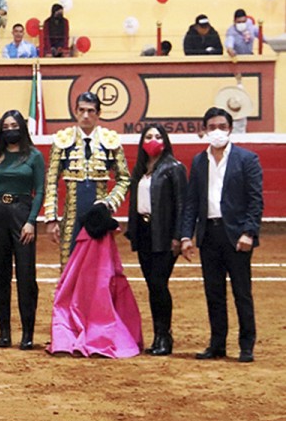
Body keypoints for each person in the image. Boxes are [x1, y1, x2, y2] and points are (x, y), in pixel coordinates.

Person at [181, 107, 263, 363]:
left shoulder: (247, 159)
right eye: (212, 126)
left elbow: (255, 201)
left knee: (242, 292)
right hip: (209, 235)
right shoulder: (198, 161)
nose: (217, 131)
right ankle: (217, 345)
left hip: (237, 236)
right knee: (213, 292)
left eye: (222, 126)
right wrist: (186, 235)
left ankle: (246, 345)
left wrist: (249, 232)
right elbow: (192, 202)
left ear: (230, 129)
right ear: (204, 130)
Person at [47, 198, 144, 358]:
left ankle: (68, 336)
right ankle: (98, 337)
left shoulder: (81, 248)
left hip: (74, 223)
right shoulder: (106, 251)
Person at [45, 92, 130, 268]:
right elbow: (51, 180)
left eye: (91, 111)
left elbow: (124, 179)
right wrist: (51, 218)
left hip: (100, 216)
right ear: (75, 112)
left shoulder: (110, 141)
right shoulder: (62, 140)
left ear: (98, 114)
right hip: (71, 218)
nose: (85, 115)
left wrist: (109, 203)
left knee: (100, 268)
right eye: (81, 110)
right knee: (70, 266)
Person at [0, 110, 43, 350]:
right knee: (0, 274)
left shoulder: (34, 156)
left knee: (26, 275)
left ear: (22, 127)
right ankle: (4, 331)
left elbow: (39, 190)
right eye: (5, 127)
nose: (9, 130)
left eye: (13, 125)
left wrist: (31, 221)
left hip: (22, 213)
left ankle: (27, 333)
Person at [124, 124, 186, 356]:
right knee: (152, 285)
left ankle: (164, 336)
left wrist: (178, 236)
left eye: (158, 136)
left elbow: (182, 204)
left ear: (166, 140)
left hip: (164, 233)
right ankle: (158, 334)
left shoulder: (174, 168)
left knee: (159, 284)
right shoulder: (140, 169)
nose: (153, 140)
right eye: (148, 136)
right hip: (144, 231)